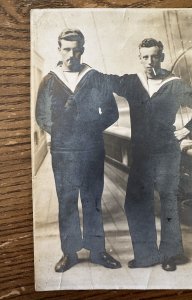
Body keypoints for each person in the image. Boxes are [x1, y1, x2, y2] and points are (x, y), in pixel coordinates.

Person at [106, 38, 192, 271]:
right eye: (145, 57)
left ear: (162, 56)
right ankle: (146, 254)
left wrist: (189, 130)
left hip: (167, 152)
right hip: (140, 153)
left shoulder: (174, 84)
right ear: (140, 59)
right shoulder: (132, 83)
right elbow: (100, 81)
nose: (150, 61)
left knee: (168, 200)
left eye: (155, 56)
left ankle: (171, 255)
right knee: (136, 202)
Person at [35, 28, 121, 272]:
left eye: (76, 49)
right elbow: (41, 115)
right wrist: (61, 134)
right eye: (66, 49)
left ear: (82, 50)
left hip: (91, 148)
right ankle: (69, 253)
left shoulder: (96, 78)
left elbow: (112, 113)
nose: (71, 54)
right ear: (59, 50)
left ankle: (97, 252)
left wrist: (91, 129)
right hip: (63, 152)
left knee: (92, 200)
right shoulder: (49, 81)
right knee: (67, 201)